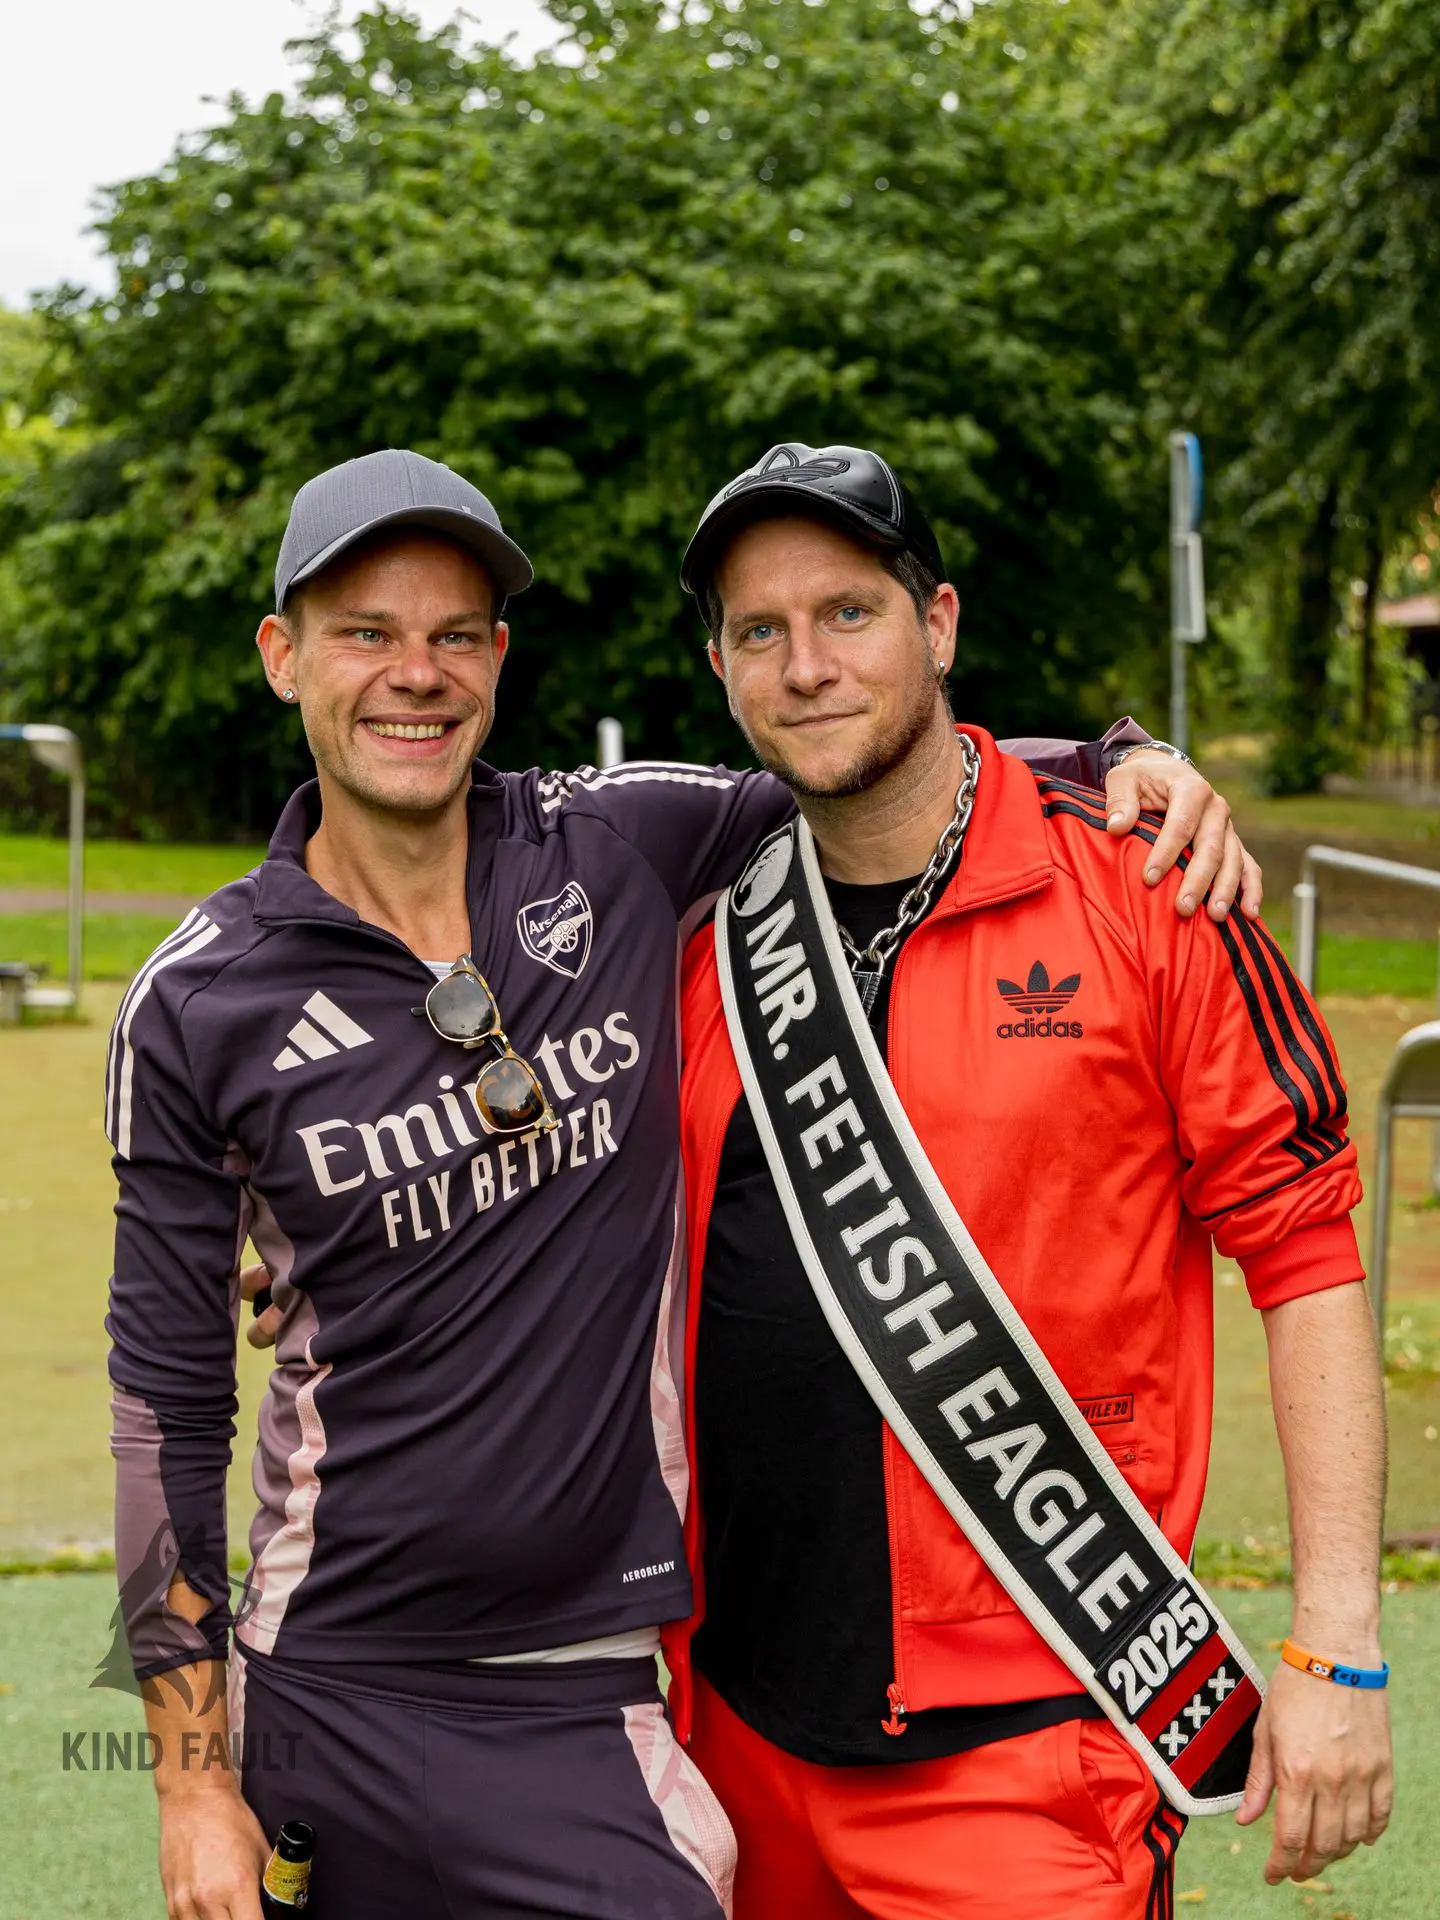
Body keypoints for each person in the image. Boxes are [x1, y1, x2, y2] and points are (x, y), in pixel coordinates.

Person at [106, 447, 1255, 1920]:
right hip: (325, 1683)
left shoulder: (617, 842)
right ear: (283, 657)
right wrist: (192, 1781)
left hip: (580, 1687)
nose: (415, 675)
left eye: (454, 634)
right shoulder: (196, 1001)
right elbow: (164, 1417)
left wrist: (1112, 760)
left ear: (499, 658)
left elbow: (868, 757)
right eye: (365, 634)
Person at [663, 443, 1393, 1920]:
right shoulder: (695, 934)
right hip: (732, 1737)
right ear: (724, 669)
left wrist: (1337, 1644)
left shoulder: (1149, 885)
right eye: (760, 630)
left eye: (849, 612)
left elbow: (1307, 1254)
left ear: (937, 623)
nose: (807, 665)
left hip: (1035, 1742)